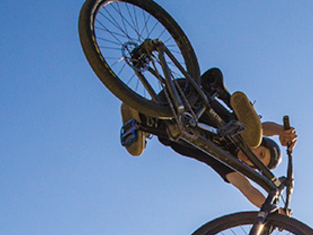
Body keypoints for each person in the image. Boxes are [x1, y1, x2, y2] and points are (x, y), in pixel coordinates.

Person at [119, 67, 298, 210]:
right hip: (189, 96)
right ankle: (218, 92)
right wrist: (280, 130)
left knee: (159, 138)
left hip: (167, 122)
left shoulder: (228, 164)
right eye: (260, 152)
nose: (253, 157)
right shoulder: (243, 131)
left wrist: (274, 211)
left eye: (256, 161)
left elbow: (247, 189)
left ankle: (139, 120)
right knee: (245, 130)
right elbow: (262, 129)